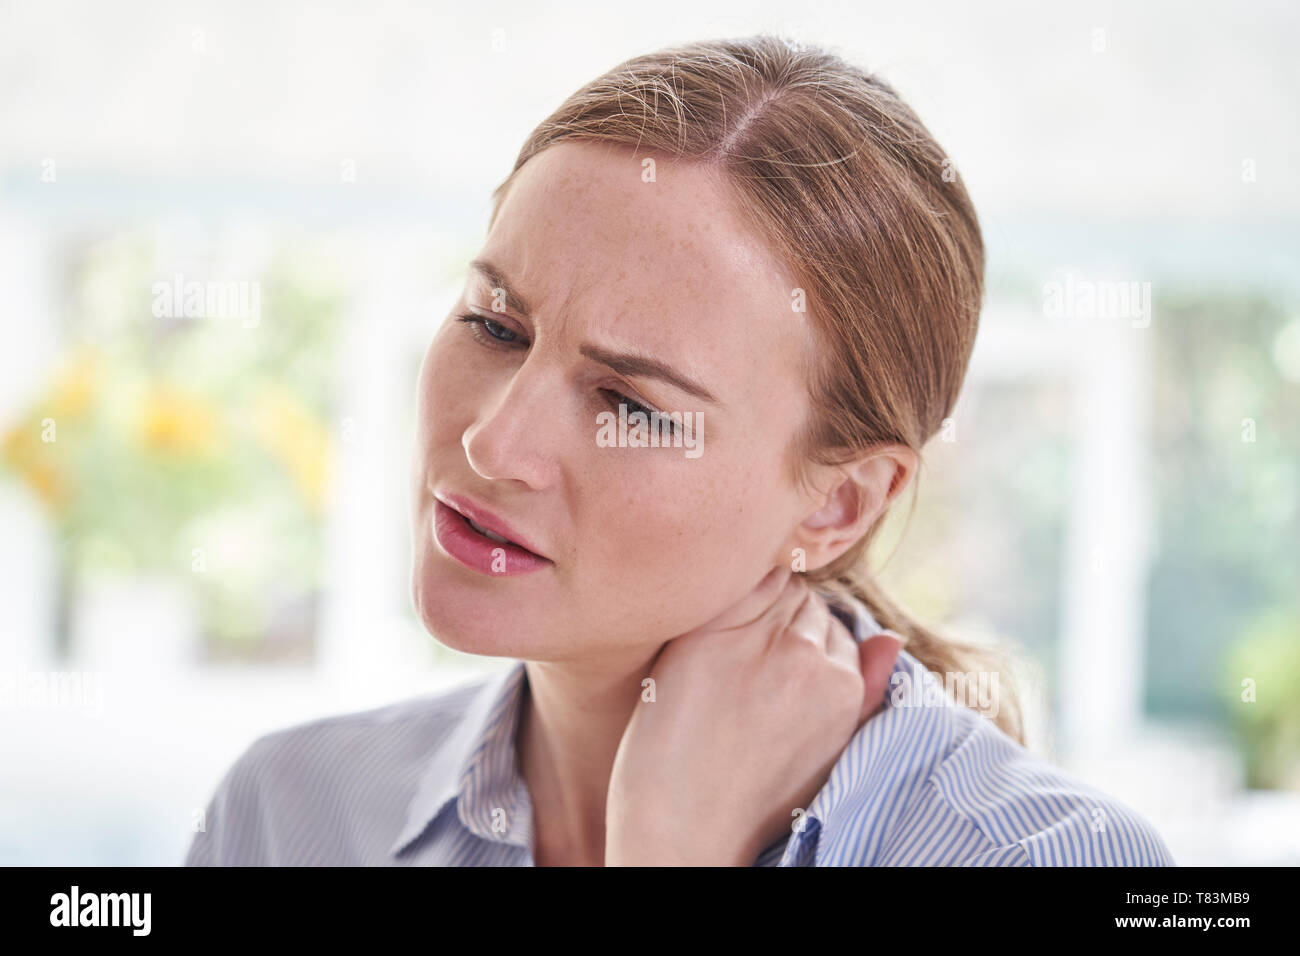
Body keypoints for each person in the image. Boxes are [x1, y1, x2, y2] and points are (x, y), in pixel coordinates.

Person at [186, 34, 1175, 867]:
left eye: (630, 401)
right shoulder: (291, 816)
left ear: (838, 504)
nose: (493, 441)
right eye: (495, 325)